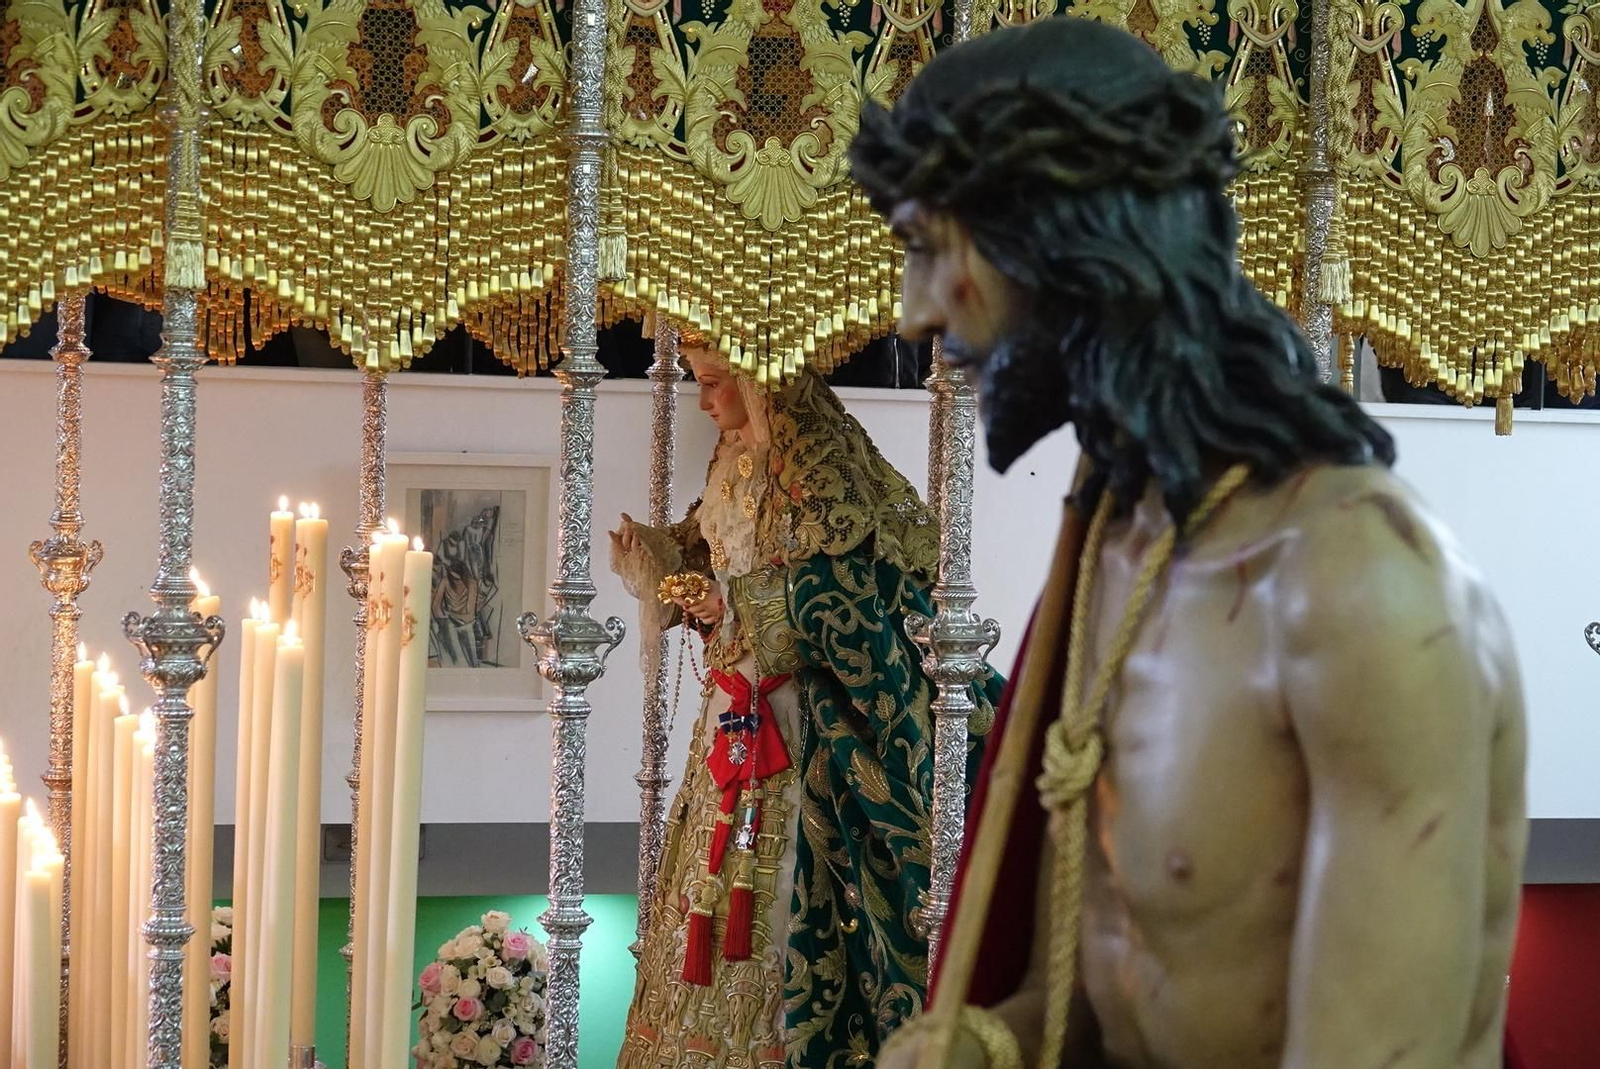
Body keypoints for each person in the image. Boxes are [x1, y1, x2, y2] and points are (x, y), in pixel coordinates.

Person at [850, 16, 1527, 1069]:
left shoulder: (1355, 586)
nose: (911, 314)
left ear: (1062, 231)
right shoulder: (1119, 552)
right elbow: (1093, 989)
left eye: (933, 248)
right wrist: (984, 1044)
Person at [608, 341, 1002, 1067]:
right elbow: (707, 547)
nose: (703, 401)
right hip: (731, 727)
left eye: (714, 381)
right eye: (697, 381)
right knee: (705, 896)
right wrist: (661, 558)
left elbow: (838, 597)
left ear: (758, 376)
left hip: (801, 732)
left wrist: (728, 604)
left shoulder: (816, 463)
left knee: (786, 905)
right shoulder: (731, 455)